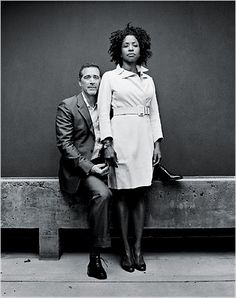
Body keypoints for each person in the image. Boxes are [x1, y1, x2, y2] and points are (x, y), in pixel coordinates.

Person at [97, 23, 178, 273]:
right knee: (122, 194)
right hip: (120, 137)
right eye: (125, 45)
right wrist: (107, 144)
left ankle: (139, 249)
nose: (131, 48)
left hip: (143, 137)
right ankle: (125, 250)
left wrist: (157, 143)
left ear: (141, 48)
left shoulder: (148, 80)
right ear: (118, 50)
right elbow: (102, 112)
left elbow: (154, 113)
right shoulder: (110, 78)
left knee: (141, 194)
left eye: (134, 44)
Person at [55, 63, 112, 280]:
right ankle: (95, 258)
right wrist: (90, 167)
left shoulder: (107, 105)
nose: (91, 81)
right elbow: (65, 145)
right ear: (80, 81)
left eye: (96, 77)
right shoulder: (68, 106)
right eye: (87, 77)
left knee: (135, 184)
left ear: (101, 81)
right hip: (82, 169)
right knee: (103, 194)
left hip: (106, 163)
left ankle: (130, 252)